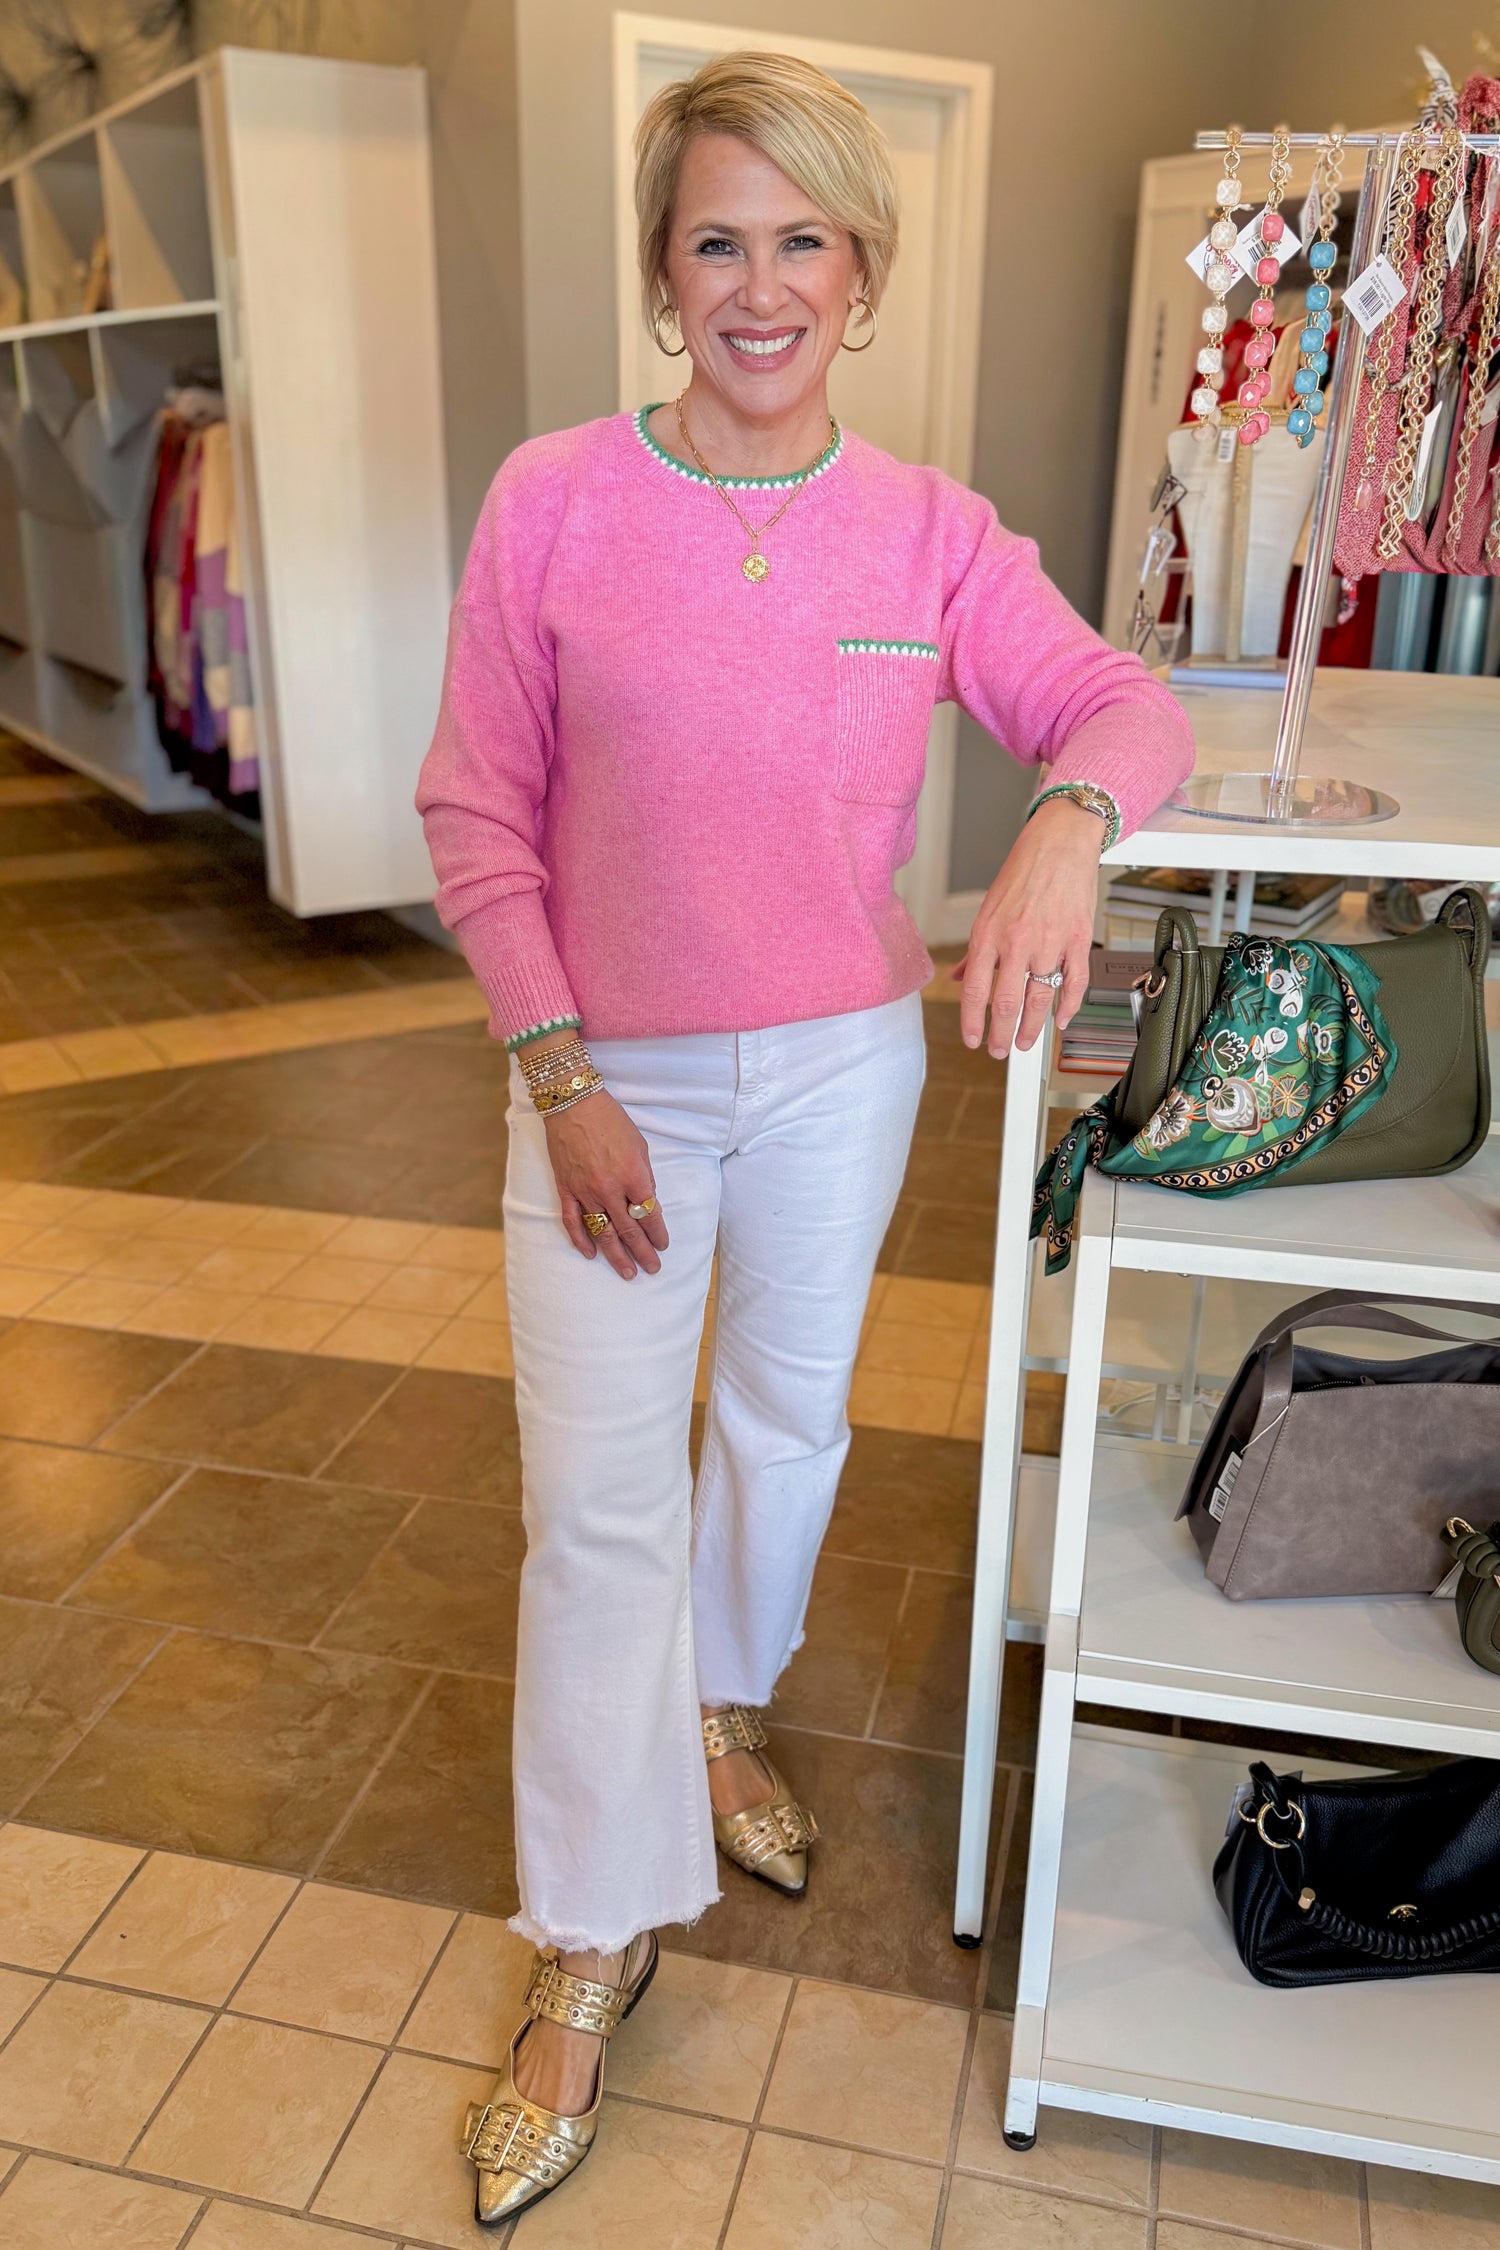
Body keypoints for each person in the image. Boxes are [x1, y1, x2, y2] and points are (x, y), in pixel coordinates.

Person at [417, 48, 1193, 2226]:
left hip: (842, 1067)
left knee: (786, 1432)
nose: (761, 285)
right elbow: (476, 809)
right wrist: (563, 1082)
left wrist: (1062, 823)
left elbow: (1126, 708)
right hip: (606, 1076)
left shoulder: (933, 536)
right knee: (595, 1515)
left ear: (861, 272)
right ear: (669, 277)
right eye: (717, 241)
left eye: (804, 242)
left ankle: (721, 1711)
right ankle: (588, 1950)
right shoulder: (556, 501)